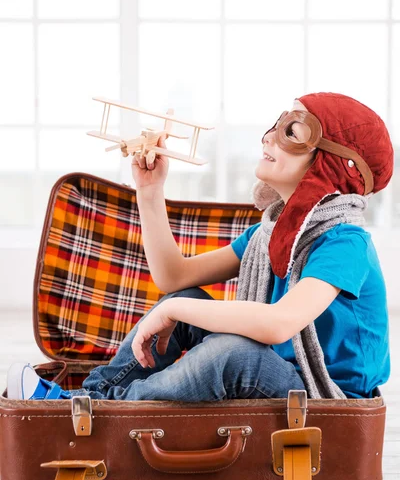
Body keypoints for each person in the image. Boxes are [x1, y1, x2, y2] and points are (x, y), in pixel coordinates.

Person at [7, 92, 393, 402]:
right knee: (188, 297)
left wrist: (175, 308)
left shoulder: (345, 242)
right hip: (281, 371)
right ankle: (86, 397)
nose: (268, 138)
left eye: (293, 131)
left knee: (232, 353)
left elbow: (278, 324)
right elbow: (174, 276)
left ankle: (105, 409)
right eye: (275, 125)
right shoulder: (270, 233)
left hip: (325, 393)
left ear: (330, 165)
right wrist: (150, 191)